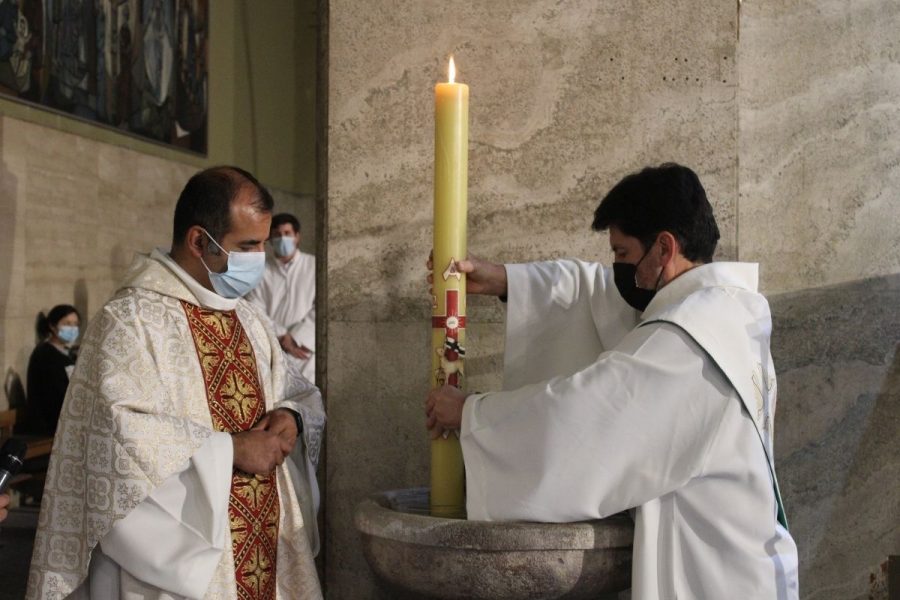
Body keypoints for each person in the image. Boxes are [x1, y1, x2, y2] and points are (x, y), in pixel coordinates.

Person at [426, 163, 799, 599]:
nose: (621, 271)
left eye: (623, 254)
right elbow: (594, 292)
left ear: (664, 247)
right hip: (739, 564)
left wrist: (472, 414)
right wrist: (509, 281)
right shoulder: (726, 312)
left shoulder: (687, 344)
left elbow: (580, 420)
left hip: (713, 579)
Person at [28, 166, 325, 599]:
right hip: (179, 571)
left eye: (263, 243)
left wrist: (291, 416)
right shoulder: (130, 322)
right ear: (199, 241)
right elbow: (114, 440)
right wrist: (231, 449)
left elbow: (299, 391)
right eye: (248, 246)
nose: (261, 257)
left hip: (266, 554)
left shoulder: (249, 318)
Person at [247, 213, 316, 382]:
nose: (282, 238)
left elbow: (321, 307)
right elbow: (254, 307)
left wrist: (296, 336)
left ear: (297, 237)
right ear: (270, 239)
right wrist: (282, 336)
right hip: (273, 347)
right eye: (277, 235)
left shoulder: (314, 265)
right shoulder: (260, 269)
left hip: (304, 349)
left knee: (307, 401)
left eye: (287, 233)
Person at [23, 304, 80, 435]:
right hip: (49, 424)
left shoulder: (67, 352)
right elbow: (55, 392)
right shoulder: (45, 354)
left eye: (75, 324)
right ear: (53, 326)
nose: (72, 328)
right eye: (67, 323)